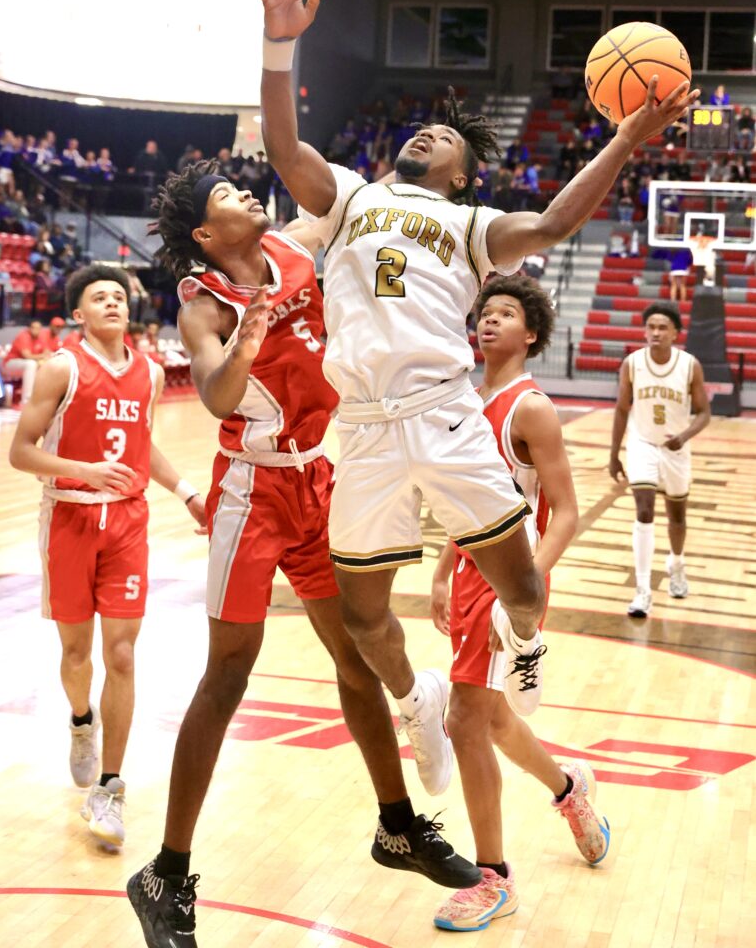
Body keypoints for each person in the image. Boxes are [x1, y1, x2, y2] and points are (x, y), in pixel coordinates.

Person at [254, 0, 697, 729]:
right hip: (363, 426)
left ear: (461, 176)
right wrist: (278, 46)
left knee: (521, 589)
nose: (427, 136)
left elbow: (553, 223)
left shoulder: (471, 225)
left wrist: (625, 138)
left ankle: (524, 641)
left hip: (443, 414)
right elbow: (285, 149)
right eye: (422, 130)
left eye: (443, 139)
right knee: (362, 618)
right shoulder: (349, 197)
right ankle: (414, 700)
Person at [127, 163, 482, 948]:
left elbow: (357, 190)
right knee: (228, 673)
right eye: (227, 196)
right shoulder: (203, 304)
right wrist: (245, 345)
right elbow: (215, 395)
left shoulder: (293, 245)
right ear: (205, 235)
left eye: (240, 186)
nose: (246, 193)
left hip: (320, 476)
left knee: (354, 654)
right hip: (251, 490)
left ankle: (397, 827)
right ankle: (165, 875)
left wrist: (428, 167)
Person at [429, 274, 609, 931]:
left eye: (505, 314)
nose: (489, 320)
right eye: (485, 312)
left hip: (512, 579)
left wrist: (524, 587)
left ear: (530, 333)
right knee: (496, 720)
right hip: (470, 573)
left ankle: (492, 879)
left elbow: (566, 512)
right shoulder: (466, 402)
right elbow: (469, 505)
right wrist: (443, 570)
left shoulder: (531, 409)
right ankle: (569, 789)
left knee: (463, 719)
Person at [9, 264, 207, 847]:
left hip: (126, 520)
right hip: (68, 516)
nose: (113, 303)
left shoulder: (149, 372)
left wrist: (188, 493)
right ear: (79, 313)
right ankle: (80, 721)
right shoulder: (61, 368)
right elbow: (21, 452)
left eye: (119, 295)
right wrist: (86, 470)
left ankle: (110, 787)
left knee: (121, 654)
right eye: (100, 297)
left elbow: (144, 447)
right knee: (76, 653)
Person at [609, 302, 710, 617]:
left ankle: (676, 564)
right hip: (642, 444)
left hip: (676, 448)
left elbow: (704, 412)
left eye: (662, 327)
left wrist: (685, 435)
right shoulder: (632, 363)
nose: (656, 332)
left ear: (675, 333)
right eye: (651, 326)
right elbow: (621, 409)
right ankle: (643, 591)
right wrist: (613, 454)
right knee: (644, 510)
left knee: (677, 515)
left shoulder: (690, 365)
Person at [3, 319, 51, 403]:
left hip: (27, 365)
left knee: (47, 364)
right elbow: (27, 356)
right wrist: (43, 356)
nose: (36, 330)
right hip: (10, 364)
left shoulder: (41, 337)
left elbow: (47, 352)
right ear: (29, 328)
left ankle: (43, 398)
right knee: (31, 364)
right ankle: (27, 400)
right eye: (34, 327)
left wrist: (45, 357)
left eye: (38, 328)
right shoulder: (23, 336)